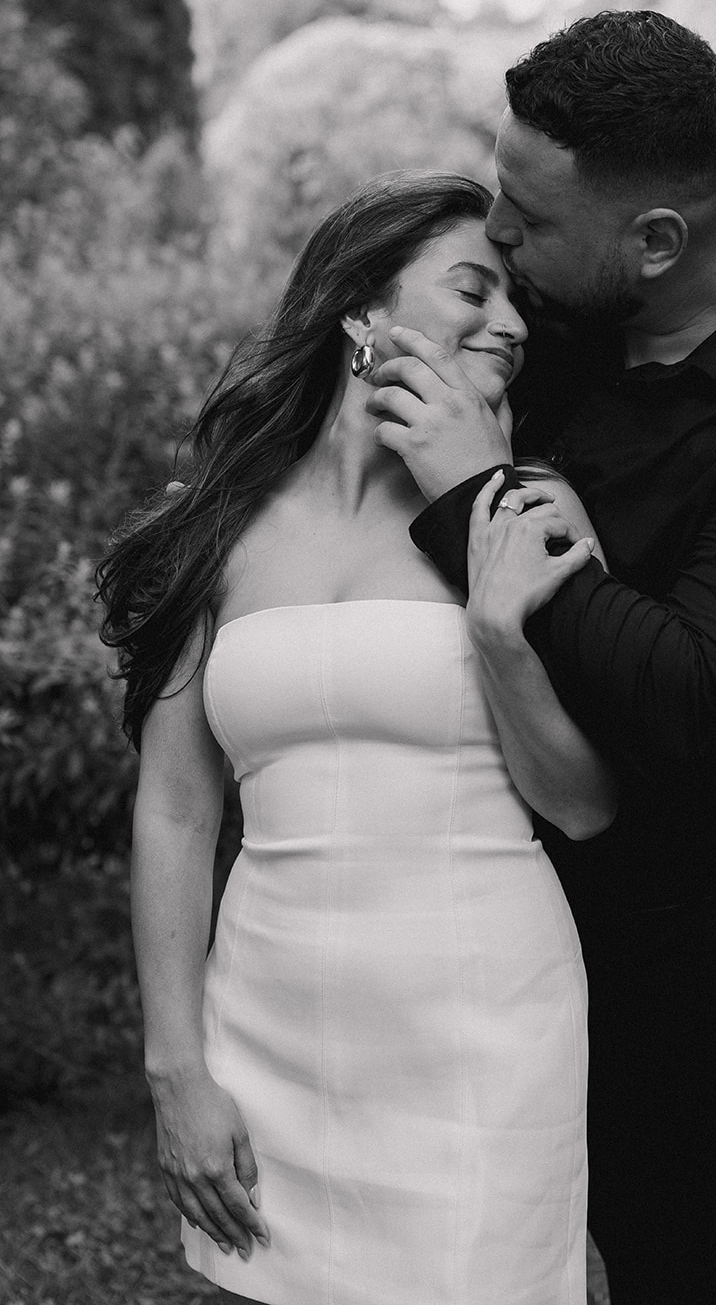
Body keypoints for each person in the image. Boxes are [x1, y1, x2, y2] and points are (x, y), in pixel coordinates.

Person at [363, 11, 716, 1305]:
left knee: (678, 1275)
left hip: (701, 965)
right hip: (480, 907)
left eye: (528, 218)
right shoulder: (545, 327)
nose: (496, 239)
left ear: (656, 240)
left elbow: (695, 696)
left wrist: (473, 496)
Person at [97, 171, 616, 1305]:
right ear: (357, 314)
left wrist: (498, 625)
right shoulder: (221, 521)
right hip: (273, 1012)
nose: (513, 324)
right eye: (473, 288)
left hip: (482, 1015)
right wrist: (176, 1065)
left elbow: (580, 802)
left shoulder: (529, 513)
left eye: (518, 301)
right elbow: (178, 807)